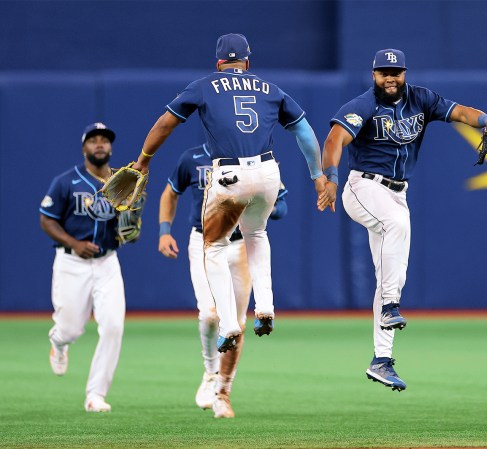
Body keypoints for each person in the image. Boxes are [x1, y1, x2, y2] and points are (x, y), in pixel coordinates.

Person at [320, 49, 487, 392]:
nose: (390, 78)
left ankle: (381, 360)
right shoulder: (364, 105)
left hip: (397, 193)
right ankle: (392, 305)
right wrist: (330, 177)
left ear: (405, 72)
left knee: (392, 272)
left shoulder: (421, 99)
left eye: (396, 71)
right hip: (363, 186)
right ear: (373, 74)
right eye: (383, 72)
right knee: (397, 227)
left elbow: (462, 112)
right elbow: (335, 138)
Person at [130, 33, 326, 353]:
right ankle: (265, 307)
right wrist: (318, 176)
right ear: (247, 61)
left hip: (230, 173)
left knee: (214, 247)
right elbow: (303, 129)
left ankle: (229, 323)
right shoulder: (270, 88)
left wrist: (144, 160)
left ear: (218, 62)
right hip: (267, 171)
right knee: (257, 234)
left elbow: (166, 123)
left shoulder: (205, 85)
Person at [158, 143, 288, 418]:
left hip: (240, 245)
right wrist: (164, 231)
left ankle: (223, 394)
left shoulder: (252, 159)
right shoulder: (191, 157)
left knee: (236, 324)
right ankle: (210, 372)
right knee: (209, 315)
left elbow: (281, 202)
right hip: (204, 241)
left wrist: (268, 207)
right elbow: (170, 193)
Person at [40, 122, 138, 412]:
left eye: (104, 141)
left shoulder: (121, 182)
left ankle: (96, 394)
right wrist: (74, 241)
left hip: (108, 263)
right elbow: (47, 219)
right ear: (84, 147)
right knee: (70, 329)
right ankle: (58, 342)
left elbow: (129, 224)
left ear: (110, 147)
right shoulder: (66, 181)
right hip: (72, 261)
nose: (99, 144)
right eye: (93, 140)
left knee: (113, 327)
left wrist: (129, 228)